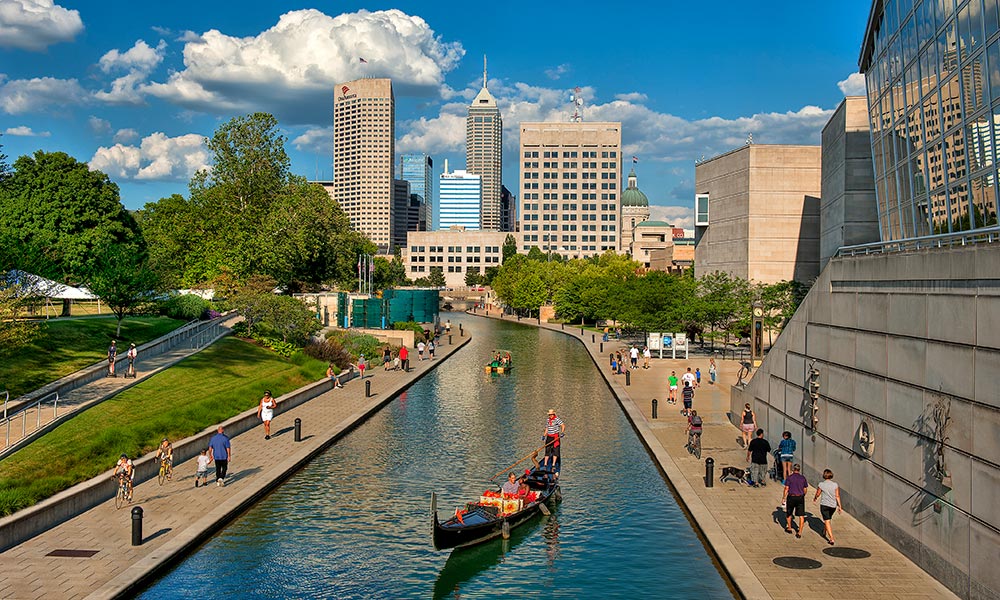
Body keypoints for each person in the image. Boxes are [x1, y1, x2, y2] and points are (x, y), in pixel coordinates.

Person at [813, 469, 843, 544]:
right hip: (833, 506)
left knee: (827, 520)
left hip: (824, 505)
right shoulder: (835, 485)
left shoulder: (821, 484)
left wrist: (815, 498)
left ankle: (831, 538)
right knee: (828, 519)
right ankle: (824, 531)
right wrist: (840, 506)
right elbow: (837, 496)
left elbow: (818, 493)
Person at [782, 464, 809, 538]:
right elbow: (805, 489)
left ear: (793, 469)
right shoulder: (803, 478)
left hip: (791, 497)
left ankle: (790, 528)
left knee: (789, 513)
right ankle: (799, 532)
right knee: (801, 515)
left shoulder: (790, 478)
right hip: (800, 497)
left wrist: (784, 498)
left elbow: (786, 488)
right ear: (799, 470)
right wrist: (803, 495)